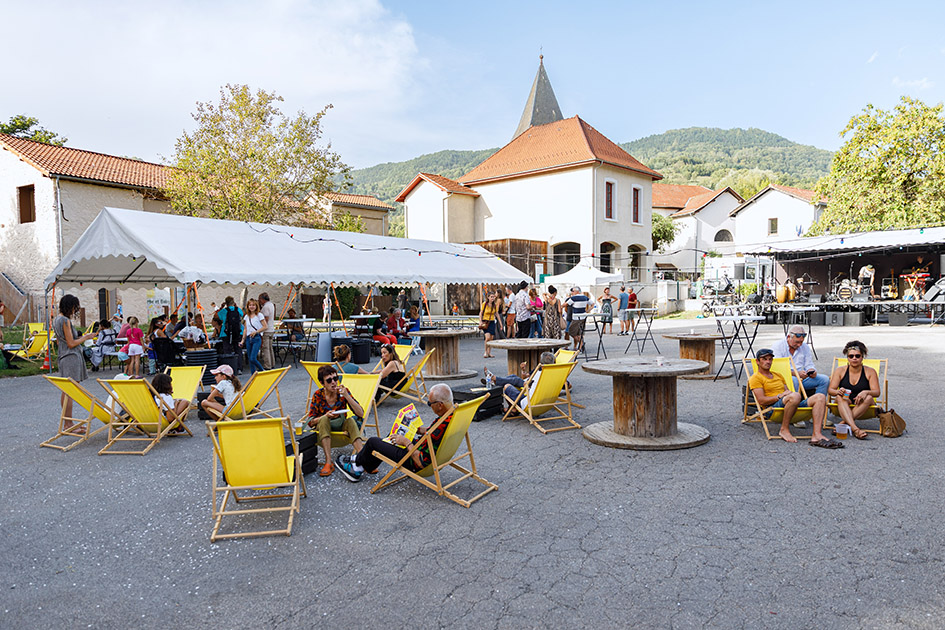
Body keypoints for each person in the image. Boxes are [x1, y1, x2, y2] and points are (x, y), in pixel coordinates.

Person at [336, 383, 455, 482]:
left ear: (440, 405)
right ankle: (364, 464)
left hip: (413, 460)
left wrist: (406, 442)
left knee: (373, 442)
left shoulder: (441, 426)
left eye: (430, 403)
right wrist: (417, 429)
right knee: (392, 437)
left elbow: (420, 462)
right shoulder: (451, 417)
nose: (429, 406)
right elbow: (432, 433)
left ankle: (356, 467)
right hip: (423, 449)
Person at [749, 348, 836, 447]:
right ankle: (784, 430)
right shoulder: (755, 378)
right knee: (795, 395)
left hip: (789, 403)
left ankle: (817, 434)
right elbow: (761, 400)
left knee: (820, 397)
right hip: (773, 408)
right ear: (757, 361)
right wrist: (779, 396)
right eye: (764, 359)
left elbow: (787, 392)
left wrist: (787, 395)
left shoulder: (778, 375)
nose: (768, 361)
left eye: (770, 359)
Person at [304, 364, 366, 476]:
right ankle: (328, 462)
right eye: (329, 380)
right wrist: (325, 416)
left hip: (341, 426)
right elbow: (310, 422)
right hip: (323, 431)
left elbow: (360, 413)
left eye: (335, 378)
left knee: (351, 421)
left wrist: (347, 396)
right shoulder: (318, 395)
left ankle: (364, 460)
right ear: (322, 383)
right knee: (323, 420)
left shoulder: (343, 392)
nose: (333, 382)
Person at [53, 295, 97, 433]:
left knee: (66, 391)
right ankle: (68, 424)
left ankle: (68, 422)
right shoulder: (65, 321)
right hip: (71, 357)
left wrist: (82, 337)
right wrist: (85, 338)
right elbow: (71, 344)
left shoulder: (56, 320)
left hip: (63, 355)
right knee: (70, 392)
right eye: (74, 308)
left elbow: (63, 342)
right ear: (70, 306)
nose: (74, 311)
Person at [827, 341, 881, 440]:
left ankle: (843, 424)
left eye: (857, 356)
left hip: (863, 403)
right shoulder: (840, 371)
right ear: (847, 358)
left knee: (869, 398)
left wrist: (866, 392)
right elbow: (831, 390)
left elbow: (877, 392)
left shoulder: (870, 371)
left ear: (862, 357)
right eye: (851, 356)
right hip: (845, 401)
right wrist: (838, 392)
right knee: (839, 397)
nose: (854, 358)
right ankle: (856, 429)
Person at [772, 325, 829, 398]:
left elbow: (809, 364)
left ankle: (817, 402)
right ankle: (794, 404)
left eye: (801, 342)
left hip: (801, 378)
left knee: (825, 379)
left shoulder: (804, 347)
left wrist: (811, 370)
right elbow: (777, 369)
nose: (799, 344)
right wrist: (795, 373)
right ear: (789, 337)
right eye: (797, 342)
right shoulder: (778, 346)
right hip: (784, 378)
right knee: (794, 380)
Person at [483, 352, 555, 408]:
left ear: (541, 362)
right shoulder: (555, 373)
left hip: (530, 401)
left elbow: (528, 384)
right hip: (540, 398)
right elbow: (525, 376)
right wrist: (523, 370)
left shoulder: (540, 373)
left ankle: (494, 379)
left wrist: (527, 383)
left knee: (508, 385)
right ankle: (495, 381)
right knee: (513, 377)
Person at [240, 298, 267, 374]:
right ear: (248, 306)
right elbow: (245, 329)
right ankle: (253, 375)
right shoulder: (247, 316)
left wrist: (256, 332)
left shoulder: (259, 315)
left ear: (256, 306)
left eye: (253, 305)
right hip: (249, 338)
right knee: (250, 359)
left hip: (256, 338)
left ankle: (262, 371)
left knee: (252, 358)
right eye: (250, 305)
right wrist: (242, 340)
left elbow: (265, 326)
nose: (252, 307)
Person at [219, 297, 243, 373]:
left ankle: (228, 368)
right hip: (238, 332)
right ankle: (239, 368)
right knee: (238, 350)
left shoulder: (223, 311)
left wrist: (221, 307)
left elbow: (218, 317)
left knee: (227, 350)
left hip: (225, 333)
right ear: (234, 302)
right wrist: (235, 307)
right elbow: (242, 314)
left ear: (226, 303)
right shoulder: (238, 310)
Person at [565, 287, 590, 351]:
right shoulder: (571, 299)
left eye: (572, 291)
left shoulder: (574, 298)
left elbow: (565, 306)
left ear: (576, 292)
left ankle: (578, 345)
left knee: (572, 332)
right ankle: (580, 344)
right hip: (574, 317)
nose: (572, 293)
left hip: (574, 317)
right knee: (574, 333)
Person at [479, 290, 500, 357]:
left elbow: (497, 314)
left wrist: (500, 323)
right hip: (485, 322)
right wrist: (480, 321)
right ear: (488, 297)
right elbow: (481, 313)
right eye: (491, 297)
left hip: (492, 322)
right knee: (487, 337)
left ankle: (489, 352)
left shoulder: (494, 305)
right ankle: (485, 351)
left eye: (493, 297)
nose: (493, 298)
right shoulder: (484, 304)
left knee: (491, 338)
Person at [258, 292, 275, 370]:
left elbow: (266, 319)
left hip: (266, 330)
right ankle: (272, 363)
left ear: (262, 299)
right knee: (270, 347)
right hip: (271, 329)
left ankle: (267, 365)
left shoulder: (265, 307)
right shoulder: (271, 304)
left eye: (260, 299)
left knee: (266, 348)